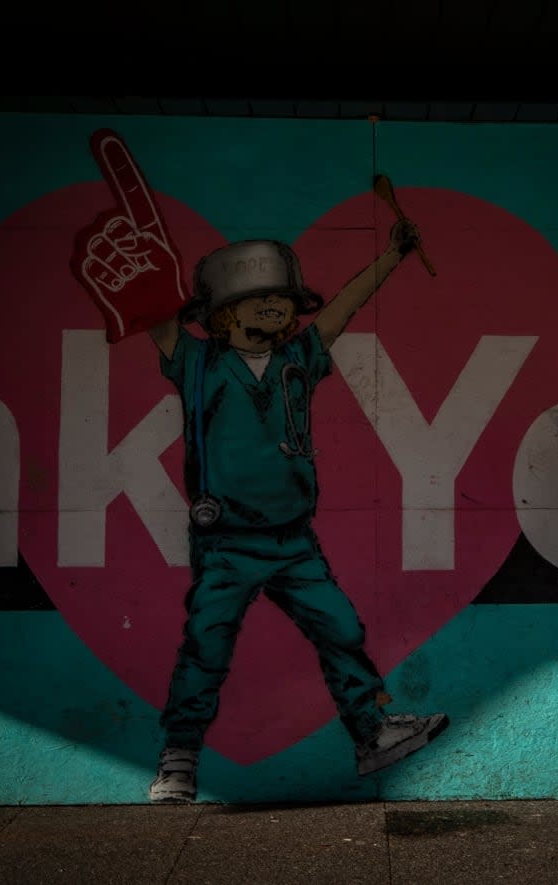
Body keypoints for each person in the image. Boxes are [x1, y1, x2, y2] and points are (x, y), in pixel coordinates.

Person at [145, 225, 448, 803]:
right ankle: (178, 760)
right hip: (226, 543)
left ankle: (372, 733)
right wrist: (142, 269)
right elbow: (153, 316)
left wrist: (392, 255)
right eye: (250, 298)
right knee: (206, 648)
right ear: (220, 316)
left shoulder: (300, 357)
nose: (271, 304)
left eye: (280, 297)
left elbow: (345, 306)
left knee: (341, 628)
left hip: (293, 540)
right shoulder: (195, 362)